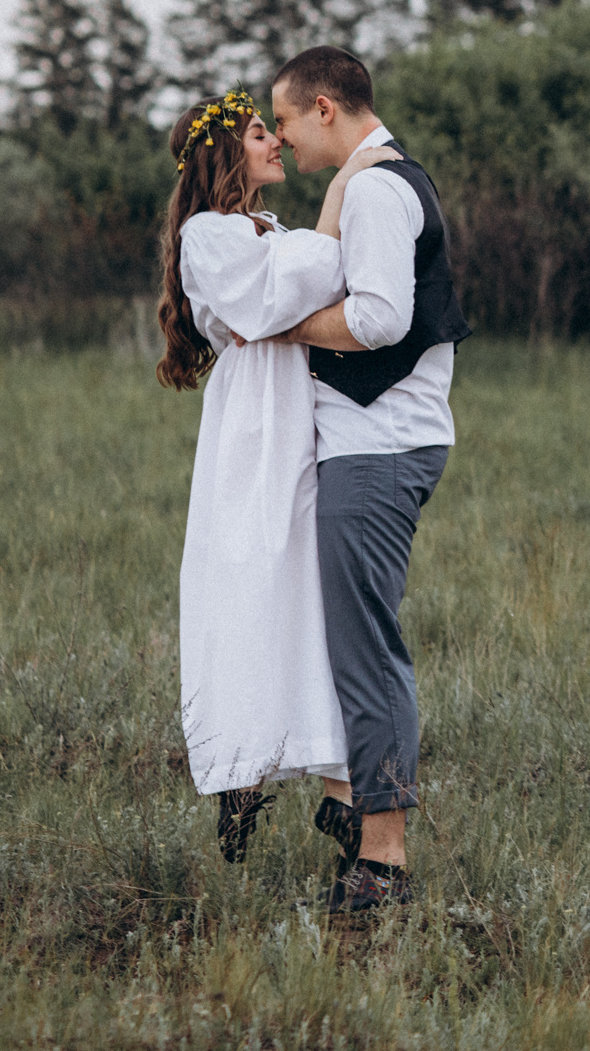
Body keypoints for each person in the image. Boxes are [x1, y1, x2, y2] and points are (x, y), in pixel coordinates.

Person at [154, 90, 400, 866]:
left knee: (307, 592)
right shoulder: (209, 234)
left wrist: (316, 240)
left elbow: (320, 282)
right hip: (254, 425)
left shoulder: (269, 230)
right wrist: (334, 206)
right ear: (227, 151)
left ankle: (337, 784)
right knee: (252, 585)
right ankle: (242, 770)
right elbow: (274, 298)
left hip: (303, 412)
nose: (276, 144)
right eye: (261, 134)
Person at [268, 44, 473, 915]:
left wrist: (279, 328)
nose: (277, 139)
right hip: (364, 443)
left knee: (367, 645)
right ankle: (351, 803)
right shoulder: (363, 181)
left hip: (380, 445)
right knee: (342, 632)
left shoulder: (380, 189)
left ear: (323, 106)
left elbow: (382, 318)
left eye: (281, 120)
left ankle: (383, 860)